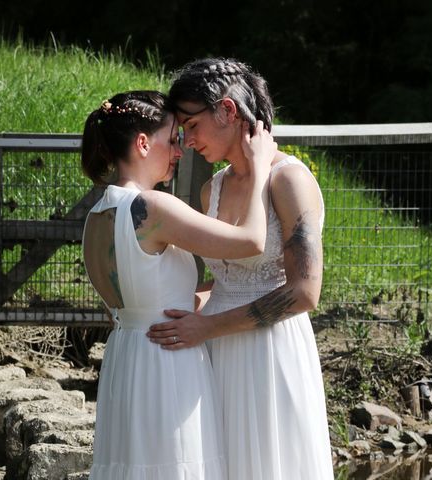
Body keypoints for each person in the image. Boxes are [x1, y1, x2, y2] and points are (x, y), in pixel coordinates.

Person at [146, 58, 334, 480]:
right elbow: (227, 280)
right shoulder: (210, 189)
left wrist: (207, 327)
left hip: (270, 354)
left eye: (190, 125)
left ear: (227, 111)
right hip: (215, 352)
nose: (187, 141)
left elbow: (305, 292)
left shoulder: (289, 181)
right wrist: (178, 307)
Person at [81, 90, 275, 479]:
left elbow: (141, 294)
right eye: (172, 140)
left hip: (126, 357)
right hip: (167, 359)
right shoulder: (153, 208)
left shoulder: (97, 214)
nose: (178, 151)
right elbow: (253, 241)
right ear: (141, 143)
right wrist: (260, 169)